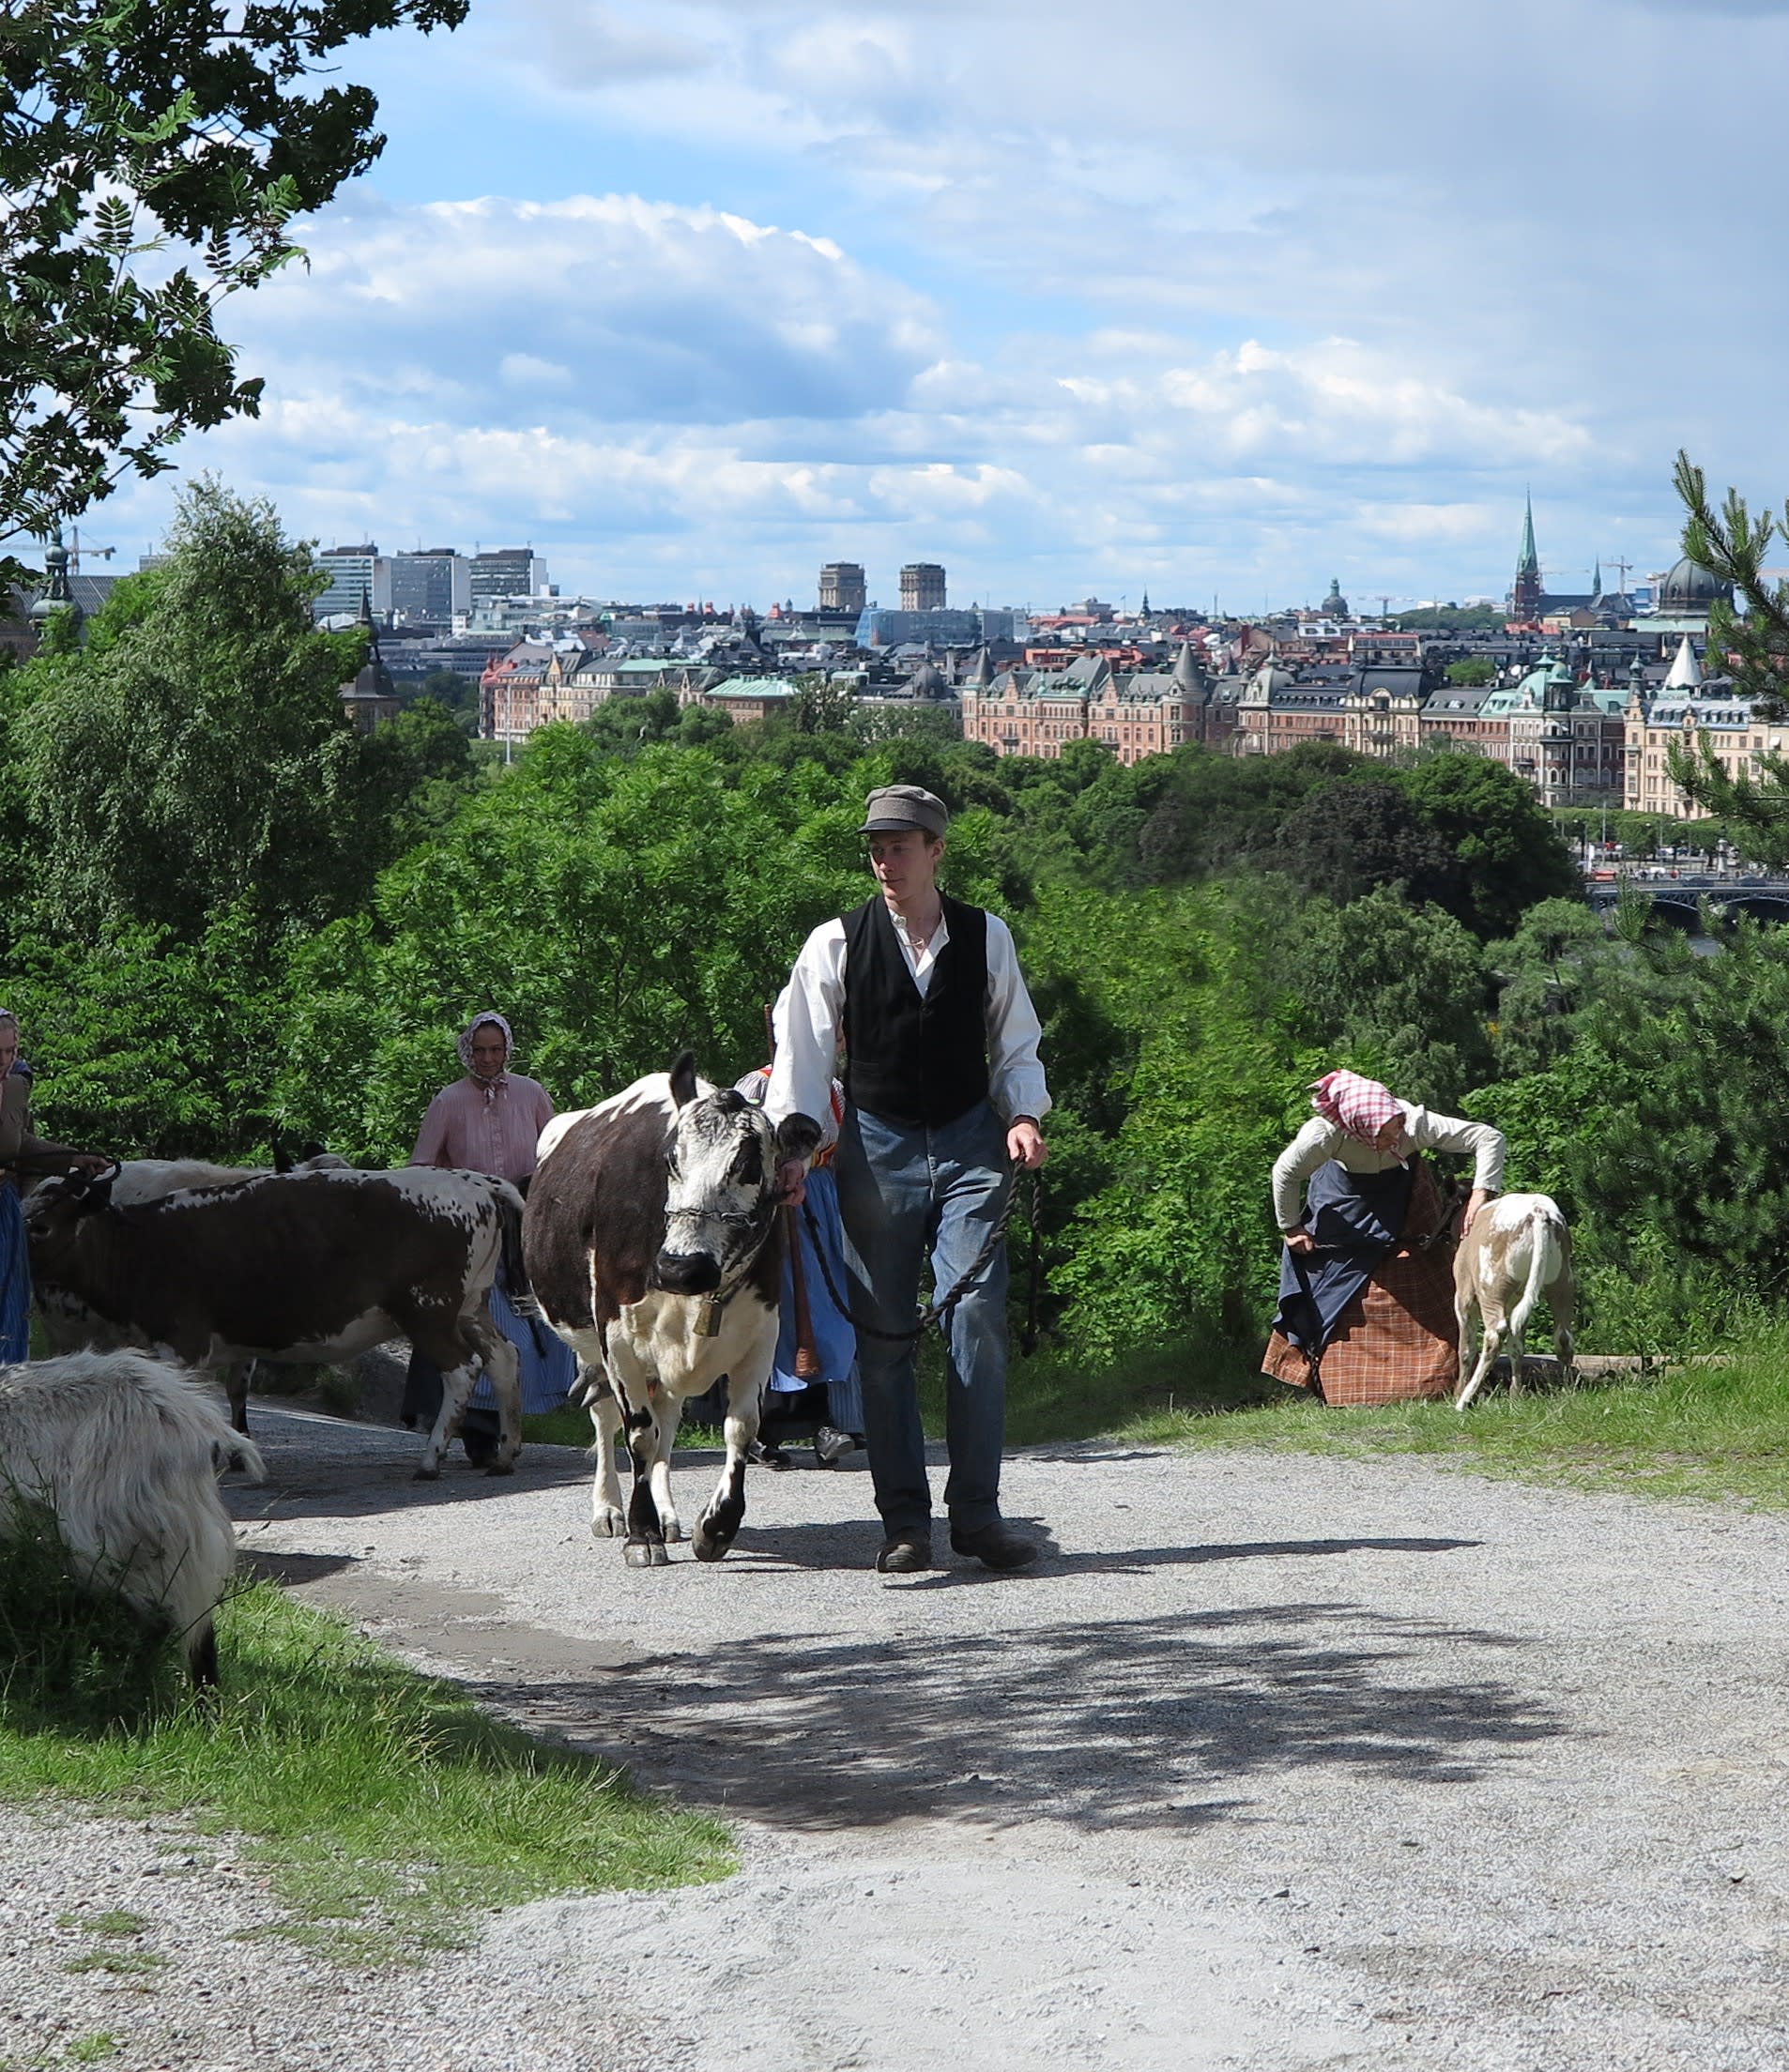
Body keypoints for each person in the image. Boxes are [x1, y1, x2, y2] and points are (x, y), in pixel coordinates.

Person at [765, 784, 1050, 1574]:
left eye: (900, 844)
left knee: (978, 1323)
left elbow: (1015, 1042)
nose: (885, 859)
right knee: (884, 1338)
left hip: (969, 1143)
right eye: (876, 847)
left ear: (936, 850)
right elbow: (804, 1055)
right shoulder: (835, 941)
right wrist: (795, 1150)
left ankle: (978, 1517)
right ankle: (904, 1524)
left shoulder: (986, 935)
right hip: (876, 1144)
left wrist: (1024, 1116)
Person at [1263, 1068, 1506, 1407]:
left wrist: (1481, 1195)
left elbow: (1487, 1137)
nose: (1395, 1139)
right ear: (1356, 1128)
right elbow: (1285, 1173)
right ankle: (1339, 1388)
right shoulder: (1323, 1135)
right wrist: (1292, 1227)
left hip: (1406, 1208)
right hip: (1340, 1210)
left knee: (1429, 1289)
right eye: (1384, 1135)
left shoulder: (1414, 1123)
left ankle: (1438, 1383)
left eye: (1396, 1129)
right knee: (1335, 1296)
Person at [401, 1012, 576, 1457]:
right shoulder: (448, 1101)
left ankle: (523, 1412)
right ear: (467, 1051)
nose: (487, 1058)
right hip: (470, 1225)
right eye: (479, 1050)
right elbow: (421, 1167)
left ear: (508, 1050)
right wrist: (460, 1189)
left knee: (527, 1313)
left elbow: (556, 1151)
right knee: (474, 1317)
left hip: (524, 1217)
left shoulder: (530, 1093)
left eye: (495, 1050)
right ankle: (477, 1424)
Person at [734, 1066, 863, 1469]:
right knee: (777, 1310)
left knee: (831, 1309)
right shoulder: (757, 1085)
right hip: (771, 1201)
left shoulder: (834, 1089)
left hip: (823, 1199)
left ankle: (831, 1424)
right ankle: (763, 1429)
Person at [0, 1010, 108, 1362]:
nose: (6, 1060)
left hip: (3, 1205)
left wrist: (74, 1159)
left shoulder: (14, 1087)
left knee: (10, 1301)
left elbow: (18, 1145)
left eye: (11, 1051)